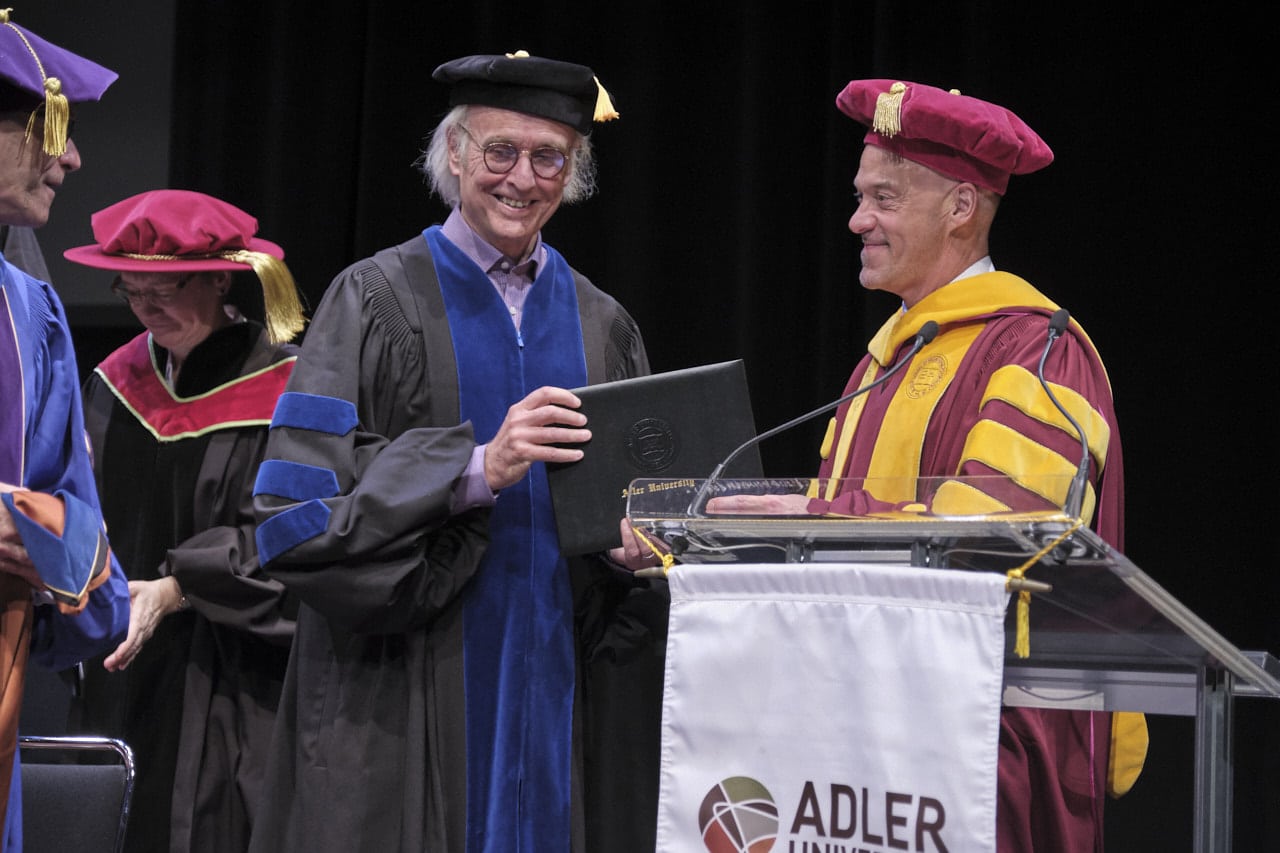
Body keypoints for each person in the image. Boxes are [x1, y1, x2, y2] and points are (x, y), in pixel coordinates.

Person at [712, 79, 1148, 851]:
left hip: (985, 747)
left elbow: (1004, 537)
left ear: (961, 207)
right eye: (859, 196)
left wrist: (821, 516)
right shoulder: (883, 360)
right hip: (863, 739)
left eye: (883, 198)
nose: (858, 219)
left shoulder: (1037, 350)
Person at [248, 51, 666, 853]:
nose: (523, 178)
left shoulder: (601, 324)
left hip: (554, 694)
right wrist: (475, 470)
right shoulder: (371, 300)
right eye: (500, 150)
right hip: (398, 693)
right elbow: (291, 519)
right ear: (454, 153)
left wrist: (633, 552)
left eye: (550, 158)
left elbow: (628, 519)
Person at [62, 189, 306, 853]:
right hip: (119, 670)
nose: (146, 307)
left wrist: (177, 588)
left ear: (221, 279)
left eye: (165, 288)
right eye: (130, 289)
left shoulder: (290, 392)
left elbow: (299, 538)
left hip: (233, 682)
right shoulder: (114, 384)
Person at [0, 9, 130, 850]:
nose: (72, 158)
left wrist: (40, 527)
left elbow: (78, 525)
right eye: (48, 131)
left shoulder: (29, 310)